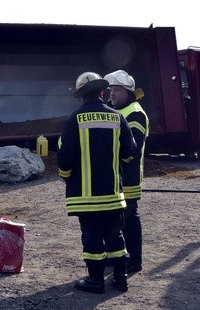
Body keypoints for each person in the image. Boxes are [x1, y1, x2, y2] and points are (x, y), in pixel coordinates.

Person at [58, 71, 135, 293]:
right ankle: (121, 280)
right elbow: (130, 152)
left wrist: (66, 176)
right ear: (102, 91)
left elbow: (65, 156)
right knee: (114, 236)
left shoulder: (75, 118)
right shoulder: (117, 117)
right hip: (112, 194)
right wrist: (115, 167)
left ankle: (95, 281)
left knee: (91, 237)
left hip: (85, 195)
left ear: (82, 95)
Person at [105, 69, 149, 275]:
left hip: (128, 178)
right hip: (115, 176)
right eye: (110, 90)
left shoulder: (135, 113)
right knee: (113, 218)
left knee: (129, 219)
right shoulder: (119, 111)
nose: (111, 94)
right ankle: (116, 256)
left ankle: (135, 261)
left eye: (117, 90)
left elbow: (133, 148)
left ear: (128, 92)